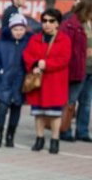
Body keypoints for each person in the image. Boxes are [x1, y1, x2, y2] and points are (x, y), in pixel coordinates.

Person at [23, 9, 72, 154]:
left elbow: (64, 59)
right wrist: (35, 65)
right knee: (38, 113)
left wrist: (46, 65)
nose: (47, 24)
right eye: (44, 21)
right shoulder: (35, 38)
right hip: (39, 82)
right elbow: (27, 55)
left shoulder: (64, 39)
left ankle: (55, 140)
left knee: (54, 114)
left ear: (58, 23)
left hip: (55, 82)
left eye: (51, 21)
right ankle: (39, 138)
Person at [0, 14, 32, 148]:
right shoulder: (2, 43)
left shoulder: (28, 43)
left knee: (16, 110)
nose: (18, 32)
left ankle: (10, 136)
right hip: (4, 82)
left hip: (20, 81)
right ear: (10, 29)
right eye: (15, 29)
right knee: (1, 110)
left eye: (21, 29)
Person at [59, 0, 92, 142]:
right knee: (70, 101)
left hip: (90, 70)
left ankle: (82, 132)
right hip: (77, 69)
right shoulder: (71, 24)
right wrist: (85, 51)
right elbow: (64, 47)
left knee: (86, 102)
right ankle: (65, 131)